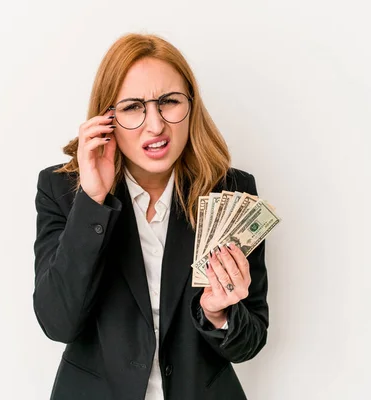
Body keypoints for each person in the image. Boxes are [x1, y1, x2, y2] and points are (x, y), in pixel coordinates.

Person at [33, 33, 269, 400]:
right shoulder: (63, 192)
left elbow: (250, 341)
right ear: (106, 118)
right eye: (132, 107)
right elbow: (57, 322)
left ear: (191, 106)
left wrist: (218, 315)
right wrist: (93, 203)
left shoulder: (231, 192)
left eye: (169, 102)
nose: (155, 125)